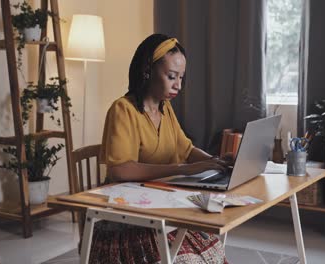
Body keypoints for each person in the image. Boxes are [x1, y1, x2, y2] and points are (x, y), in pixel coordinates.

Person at [90, 34, 229, 263]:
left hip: (160, 207)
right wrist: (183, 169)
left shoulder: (165, 109)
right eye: (172, 76)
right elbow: (120, 170)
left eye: (181, 77)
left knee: (214, 253)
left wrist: (216, 162)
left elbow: (186, 148)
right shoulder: (123, 110)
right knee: (188, 260)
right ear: (147, 71)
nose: (178, 85)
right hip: (127, 218)